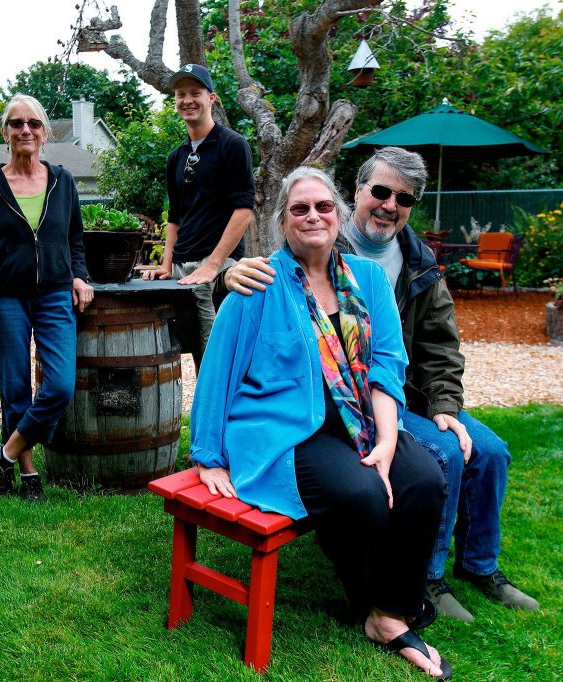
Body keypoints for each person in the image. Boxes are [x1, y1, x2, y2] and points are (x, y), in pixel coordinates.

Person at [222, 147, 538, 623]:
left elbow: (440, 346)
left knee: (490, 451)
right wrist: (227, 271)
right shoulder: (325, 239)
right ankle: (427, 576)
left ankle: (480, 565)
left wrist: (446, 405)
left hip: (405, 394)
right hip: (352, 402)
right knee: (446, 456)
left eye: (404, 198)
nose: (390, 205)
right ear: (357, 194)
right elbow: (250, 293)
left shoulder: (419, 262)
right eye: (381, 191)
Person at [192, 167, 451, 679]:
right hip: (285, 430)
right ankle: (379, 606)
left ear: (339, 213)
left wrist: (384, 439)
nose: (313, 216)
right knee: (362, 496)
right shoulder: (260, 282)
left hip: (356, 420)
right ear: (283, 223)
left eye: (323, 206)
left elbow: (386, 366)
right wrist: (207, 455)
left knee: (424, 479)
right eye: (299, 209)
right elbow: (216, 372)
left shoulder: (369, 279)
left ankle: (391, 611)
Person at [0, 94, 95, 503]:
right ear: (5, 132)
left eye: (34, 124)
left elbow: (74, 237)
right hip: (5, 297)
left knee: (59, 385)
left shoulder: (63, 180)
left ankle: (1, 455)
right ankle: (28, 475)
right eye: (17, 123)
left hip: (55, 292)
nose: (25, 130)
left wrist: (79, 275)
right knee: (16, 387)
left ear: (45, 132)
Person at [141, 63, 255, 370]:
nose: (187, 100)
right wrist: (165, 266)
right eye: (180, 94)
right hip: (182, 271)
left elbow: (244, 210)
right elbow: (175, 216)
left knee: (220, 362)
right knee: (188, 354)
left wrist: (213, 265)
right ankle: (199, 416)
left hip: (220, 271)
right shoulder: (176, 156)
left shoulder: (233, 145)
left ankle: (225, 417)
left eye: (195, 93)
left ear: (212, 98)